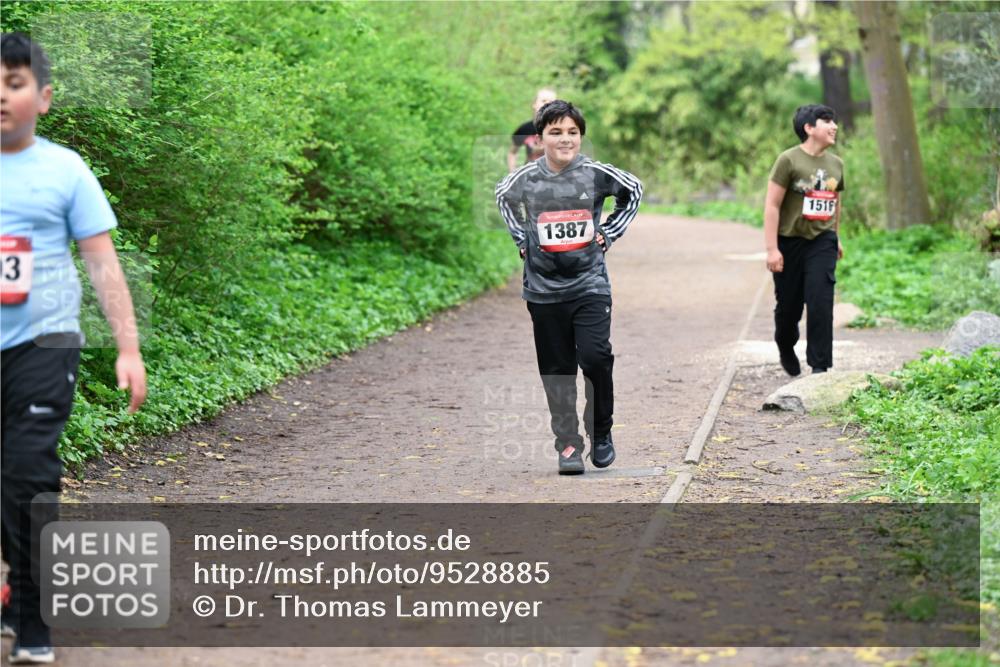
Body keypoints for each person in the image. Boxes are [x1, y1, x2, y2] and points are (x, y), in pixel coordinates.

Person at [1, 32, 147, 664]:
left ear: (44, 97)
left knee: (27, 479)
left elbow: (105, 267)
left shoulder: (66, 170)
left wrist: (128, 349)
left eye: (14, 83)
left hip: (43, 344)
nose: (1, 97)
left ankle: (32, 618)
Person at [495, 100, 642, 475]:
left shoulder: (593, 174)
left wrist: (608, 232)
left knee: (595, 358)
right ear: (540, 137)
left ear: (581, 136)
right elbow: (503, 198)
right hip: (544, 291)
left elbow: (634, 190)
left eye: (573, 132)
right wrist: (521, 240)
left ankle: (601, 432)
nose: (565, 139)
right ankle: (568, 445)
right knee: (557, 369)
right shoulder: (526, 178)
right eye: (556, 132)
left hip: (590, 283)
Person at [764, 103, 845, 376]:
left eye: (834, 122)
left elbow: (835, 202)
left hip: (822, 240)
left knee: (821, 302)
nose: (834, 126)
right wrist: (772, 249)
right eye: (827, 121)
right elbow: (772, 205)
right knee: (789, 309)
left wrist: (836, 237)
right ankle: (785, 345)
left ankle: (820, 368)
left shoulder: (836, 164)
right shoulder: (788, 160)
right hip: (789, 242)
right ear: (809, 128)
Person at [506, 88, 557, 172]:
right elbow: (512, 153)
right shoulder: (524, 129)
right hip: (531, 177)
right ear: (534, 104)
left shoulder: (563, 129)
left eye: (552, 102)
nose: (547, 104)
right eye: (544, 101)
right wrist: (513, 173)